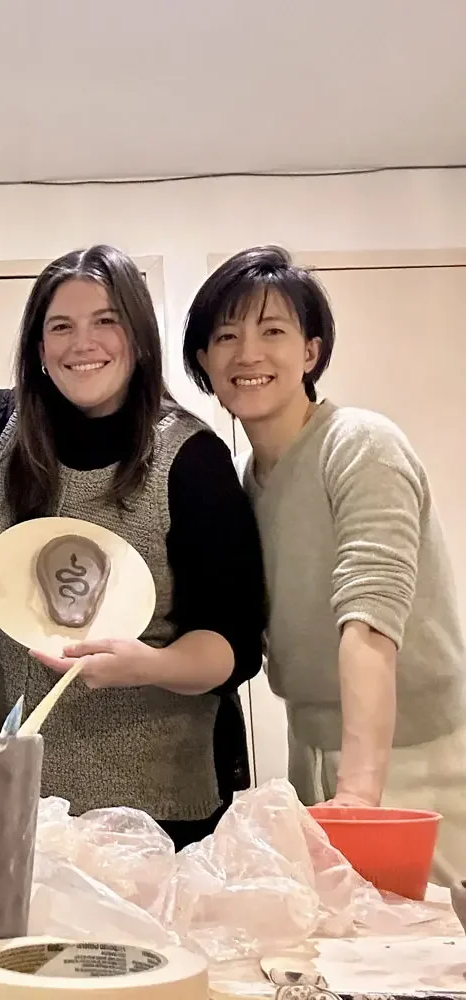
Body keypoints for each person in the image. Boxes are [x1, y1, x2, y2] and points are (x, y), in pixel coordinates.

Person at [0, 245, 266, 849]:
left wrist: (151, 666)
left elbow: (234, 646)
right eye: (61, 326)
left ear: (137, 337)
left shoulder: (191, 459)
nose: (81, 343)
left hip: (163, 809)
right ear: (39, 348)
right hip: (16, 800)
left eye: (105, 321)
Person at [184, 244, 466, 882]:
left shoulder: (359, 443)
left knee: (429, 965)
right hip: (311, 750)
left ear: (310, 352)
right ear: (204, 361)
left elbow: (370, 616)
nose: (248, 354)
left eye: (272, 331)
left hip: (414, 759)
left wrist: (362, 797)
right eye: (226, 336)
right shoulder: (246, 480)